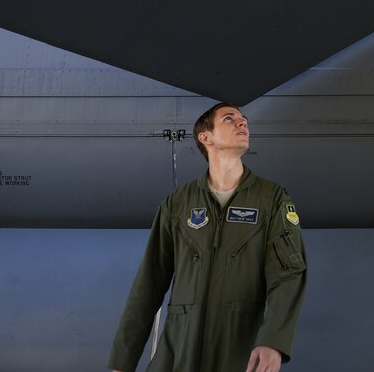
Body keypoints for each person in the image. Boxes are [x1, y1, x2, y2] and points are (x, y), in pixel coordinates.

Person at [108, 102, 307, 372]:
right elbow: (148, 285)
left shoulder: (272, 199)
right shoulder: (177, 203)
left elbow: (288, 275)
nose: (242, 123)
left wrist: (274, 341)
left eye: (244, 119)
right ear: (206, 137)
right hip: (177, 354)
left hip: (238, 352)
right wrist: (123, 362)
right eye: (230, 118)